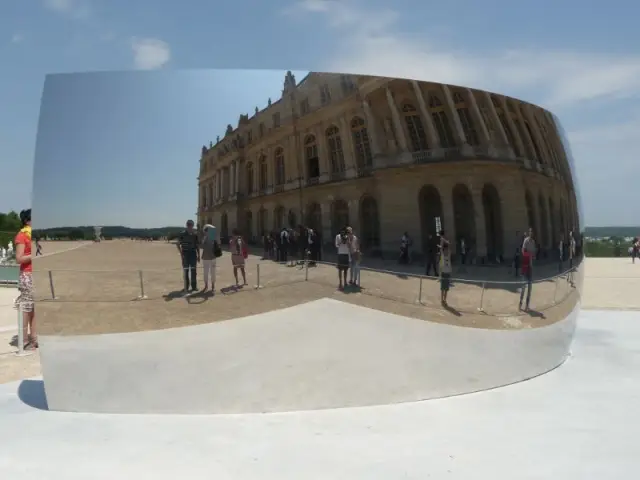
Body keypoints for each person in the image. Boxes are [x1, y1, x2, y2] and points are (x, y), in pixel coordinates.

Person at [14, 209, 37, 350]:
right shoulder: (22, 236)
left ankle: (34, 339)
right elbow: (19, 258)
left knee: (36, 308)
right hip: (28, 275)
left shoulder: (37, 236)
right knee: (27, 308)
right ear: (27, 220)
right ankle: (23, 340)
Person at [177, 219, 200, 294]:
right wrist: (181, 253)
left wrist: (198, 255)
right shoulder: (182, 234)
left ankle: (194, 286)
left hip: (193, 254)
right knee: (185, 271)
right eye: (189, 225)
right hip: (185, 254)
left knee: (194, 271)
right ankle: (186, 286)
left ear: (193, 226)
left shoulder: (195, 234)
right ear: (187, 225)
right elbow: (178, 244)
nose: (190, 226)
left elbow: (197, 246)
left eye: (191, 225)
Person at [201, 225, 222, 294]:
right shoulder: (205, 237)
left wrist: (216, 236)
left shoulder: (213, 237)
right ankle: (207, 285)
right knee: (206, 272)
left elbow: (219, 243)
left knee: (212, 272)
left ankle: (212, 286)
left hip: (212, 257)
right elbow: (202, 245)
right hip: (207, 257)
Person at [519, 227, 536, 311]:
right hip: (525, 266)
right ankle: (520, 303)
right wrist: (528, 255)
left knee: (530, 288)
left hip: (531, 267)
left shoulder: (533, 242)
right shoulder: (526, 240)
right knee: (523, 287)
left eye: (532, 232)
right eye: (530, 232)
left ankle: (527, 305)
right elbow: (523, 251)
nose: (531, 233)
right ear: (529, 233)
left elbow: (533, 253)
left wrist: (533, 256)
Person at [439, 234, 452, 307]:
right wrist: (442, 240)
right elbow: (441, 249)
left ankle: (445, 300)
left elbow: (449, 249)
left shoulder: (449, 256)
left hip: (448, 273)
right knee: (442, 288)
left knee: (446, 289)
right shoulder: (443, 256)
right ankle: (441, 300)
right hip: (443, 273)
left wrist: (447, 243)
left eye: (447, 250)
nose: (446, 251)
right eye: (445, 250)